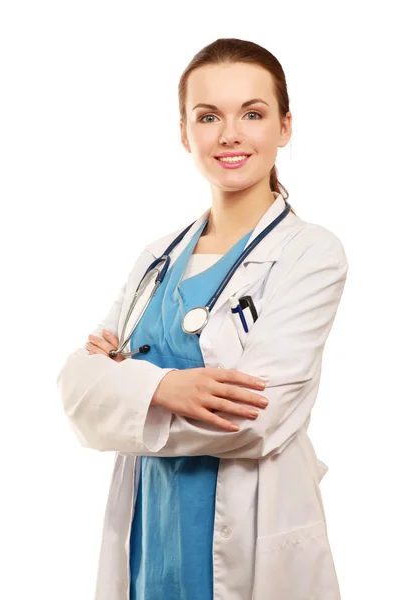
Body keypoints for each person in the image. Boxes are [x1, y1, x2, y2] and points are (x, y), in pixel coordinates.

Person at [57, 37, 348, 600]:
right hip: (151, 533)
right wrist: (169, 386)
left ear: (285, 127)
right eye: (208, 116)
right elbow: (76, 392)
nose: (230, 134)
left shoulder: (311, 253)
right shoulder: (156, 257)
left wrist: (129, 392)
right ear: (184, 133)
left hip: (250, 539)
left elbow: (254, 418)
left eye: (253, 114)